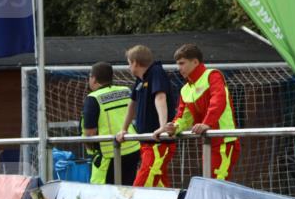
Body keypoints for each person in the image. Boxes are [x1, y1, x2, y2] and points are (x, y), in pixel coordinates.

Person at [154, 44, 240, 181]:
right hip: (208, 141)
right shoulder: (185, 89)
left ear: (195, 62)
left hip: (224, 141)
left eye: (182, 63)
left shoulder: (213, 75)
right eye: (178, 64)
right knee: (212, 184)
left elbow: (219, 101)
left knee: (216, 185)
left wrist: (207, 123)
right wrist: (172, 127)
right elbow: (183, 117)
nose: (179, 68)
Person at [116, 45, 178, 188]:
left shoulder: (156, 72)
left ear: (135, 63)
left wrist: (163, 126)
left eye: (129, 63)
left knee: (140, 187)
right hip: (146, 143)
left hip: (157, 144)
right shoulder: (140, 79)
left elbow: (160, 97)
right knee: (161, 186)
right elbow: (131, 104)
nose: (128, 67)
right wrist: (123, 129)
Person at [80, 62, 140, 185]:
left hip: (109, 153)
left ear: (94, 79)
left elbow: (90, 132)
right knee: (127, 191)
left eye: (90, 77)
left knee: (103, 193)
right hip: (132, 149)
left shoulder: (93, 98)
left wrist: (88, 143)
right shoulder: (125, 91)